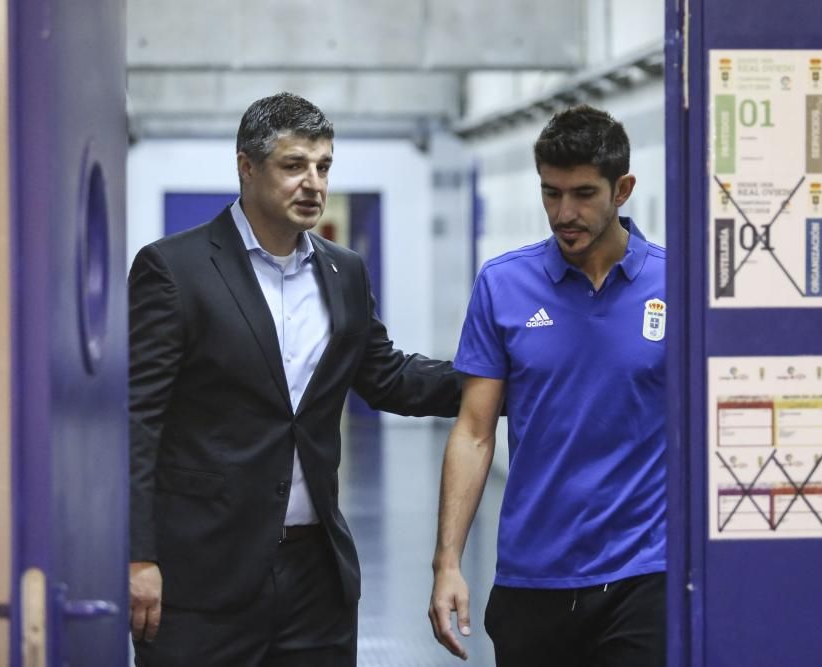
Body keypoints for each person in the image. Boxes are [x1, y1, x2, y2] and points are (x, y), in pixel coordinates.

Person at [128, 92, 461, 666]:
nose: (313, 182)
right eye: (294, 166)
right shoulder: (174, 270)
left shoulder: (344, 271)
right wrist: (137, 556)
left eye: (323, 166)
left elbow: (388, 378)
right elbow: (137, 420)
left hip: (315, 578)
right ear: (246, 167)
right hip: (203, 577)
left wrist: (499, 379)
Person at [428, 104, 667, 666]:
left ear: (623, 188)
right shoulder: (503, 286)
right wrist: (448, 562)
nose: (565, 213)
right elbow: (474, 431)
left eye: (583, 193)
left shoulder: (675, 281)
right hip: (534, 576)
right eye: (551, 193)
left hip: (644, 573)